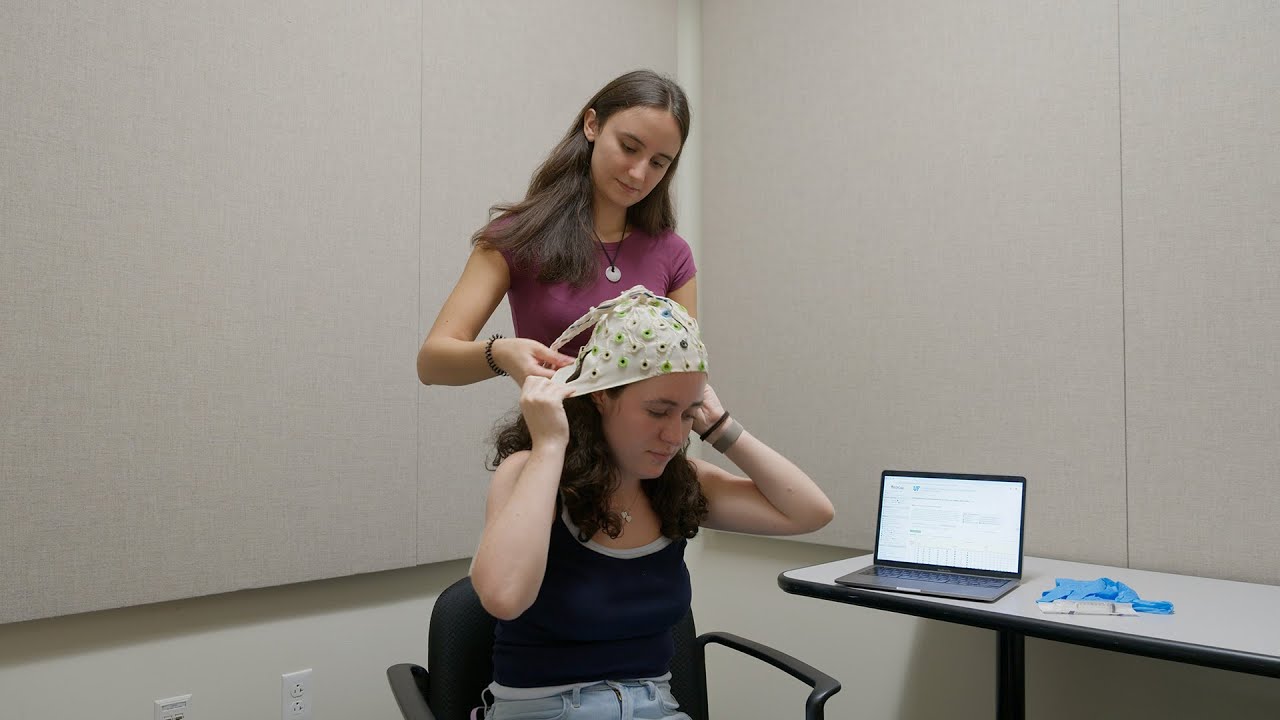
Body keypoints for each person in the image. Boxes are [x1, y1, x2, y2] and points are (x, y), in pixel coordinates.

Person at [469, 286, 835, 720]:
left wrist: (720, 428)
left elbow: (810, 512)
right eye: (659, 411)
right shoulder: (532, 471)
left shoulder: (678, 485)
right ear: (602, 396)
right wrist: (550, 443)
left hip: (655, 708)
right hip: (545, 710)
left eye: (687, 414)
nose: (676, 436)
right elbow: (503, 597)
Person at [418, 70, 698, 389]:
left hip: (655, 441)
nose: (638, 173)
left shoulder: (674, 254)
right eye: (629, 147)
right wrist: (501, 354)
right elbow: (432, 362)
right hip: (552, 436)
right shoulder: (516, 238)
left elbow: (683, 378)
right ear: (592, 125)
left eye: (658, 163)